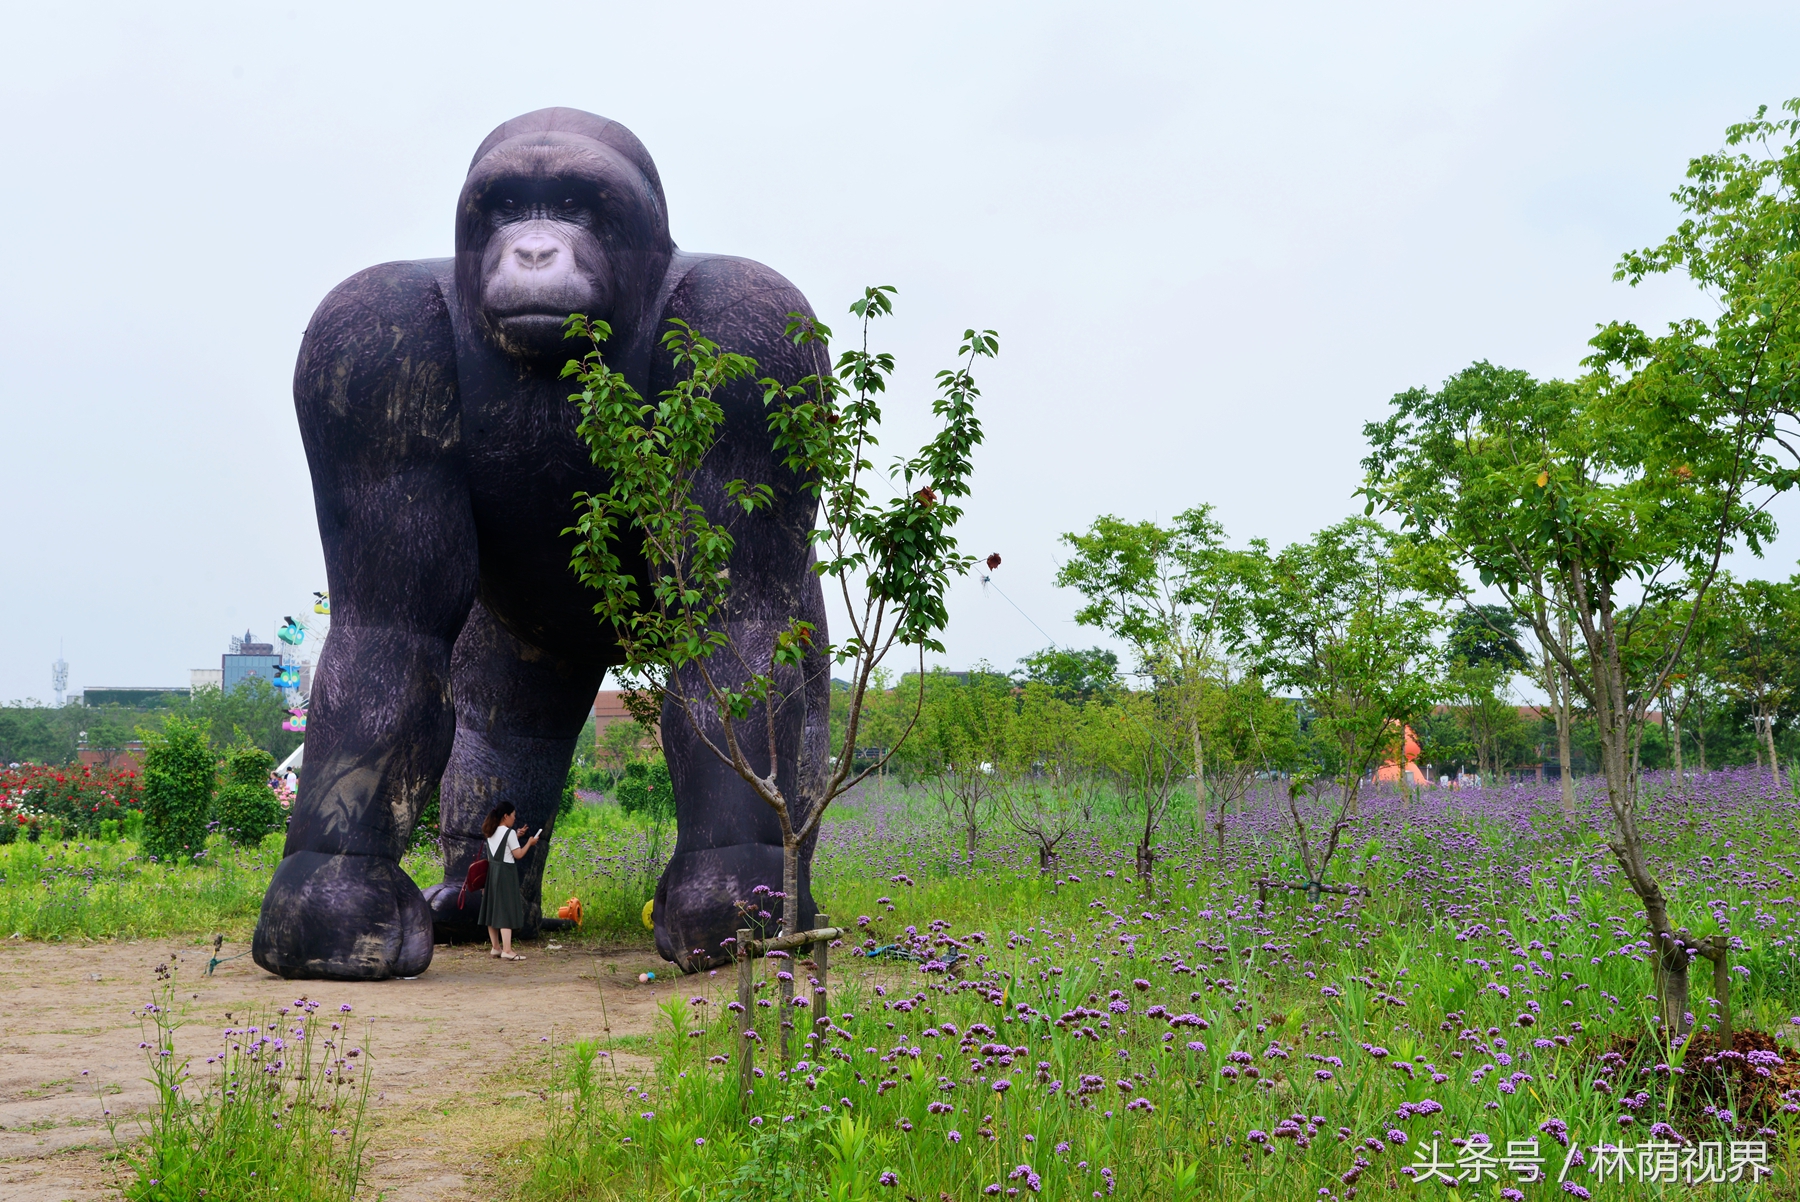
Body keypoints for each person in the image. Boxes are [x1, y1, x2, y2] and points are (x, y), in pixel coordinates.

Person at [479, 802, 540, 961]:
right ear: (505, 816)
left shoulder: (490, 830)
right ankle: (507, 950)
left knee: (492, 910)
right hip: (506, 874)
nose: (514, 819)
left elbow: (502, 846)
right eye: (513, 816)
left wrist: (516, 836)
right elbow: (518, 854)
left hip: (492, 873)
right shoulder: (509, 833)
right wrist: (529, 843)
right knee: (505, 910)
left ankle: (496, 948)